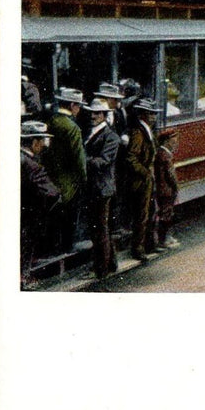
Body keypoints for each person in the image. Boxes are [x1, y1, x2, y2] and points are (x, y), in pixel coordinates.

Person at [42, 87, 87, 255]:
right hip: (70, 180)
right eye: (79, 106)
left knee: (54, 216)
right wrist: (84, 179)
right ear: (72, 105)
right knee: (69, 215)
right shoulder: (72, 127)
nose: (79, 109)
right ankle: (67, 247)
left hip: (52, 176)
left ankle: (53, 248)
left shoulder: (51, 122)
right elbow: (79, 158)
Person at [82, 97, 121, 278]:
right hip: (96, 187)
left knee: (100, 229)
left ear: (105, 115)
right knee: (101, 228)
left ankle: (101, 269)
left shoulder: (111, 136)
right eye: (92, 113)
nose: (93, 116)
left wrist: (84, 161)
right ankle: (110, 264)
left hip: (101, 187)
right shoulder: (93, 132)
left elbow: (104, 161)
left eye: (97, 113)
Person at [20, 120, 60, 286]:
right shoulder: (33, 166)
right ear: (34, 142)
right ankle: (23, 278)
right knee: (25, 246)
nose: (44, 145)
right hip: (29, 214)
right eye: (42, 141)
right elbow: (52, 193)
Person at [126, 97, 160, 261]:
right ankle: (138, 249)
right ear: (144, 115)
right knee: (141, 215)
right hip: (140, 181)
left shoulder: (147, 131)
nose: (154, 117)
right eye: (151, 114)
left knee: (148, 212)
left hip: (146, 180)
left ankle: (147, 245)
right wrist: (145, 172)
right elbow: (131, 158)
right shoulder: (138, 133)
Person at [154, 129, 181, 251]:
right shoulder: (165, 155)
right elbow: (170, 174)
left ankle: (164, 238)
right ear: (166, 141)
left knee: (166, 214)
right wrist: (176, 186)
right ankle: (162, 240)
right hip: (166, 189)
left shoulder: (161, 153)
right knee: (166, 215)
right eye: (173, 140)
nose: (175, 143)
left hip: (163, 189)